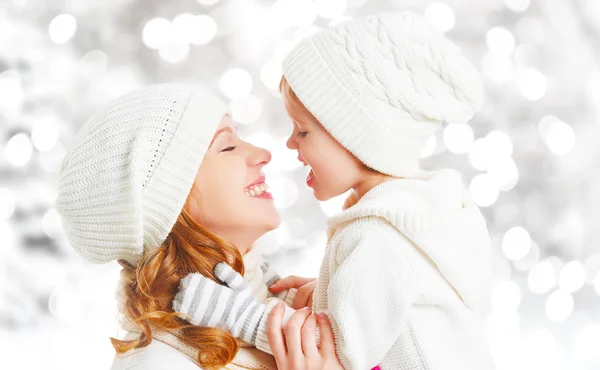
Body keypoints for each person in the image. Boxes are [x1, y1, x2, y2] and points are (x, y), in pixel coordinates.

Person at [174, 11, 496, 370]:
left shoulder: (378, 237)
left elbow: (336, 353)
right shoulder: (414, 216)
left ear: (357, 138)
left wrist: (241, 317)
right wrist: (330, 296)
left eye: (303, 131)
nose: (290, 144)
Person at [55, 83, 341, 369]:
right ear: (173, 202)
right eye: (228, 146)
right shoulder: (160, 364)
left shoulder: (295, 307)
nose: (262, 153)